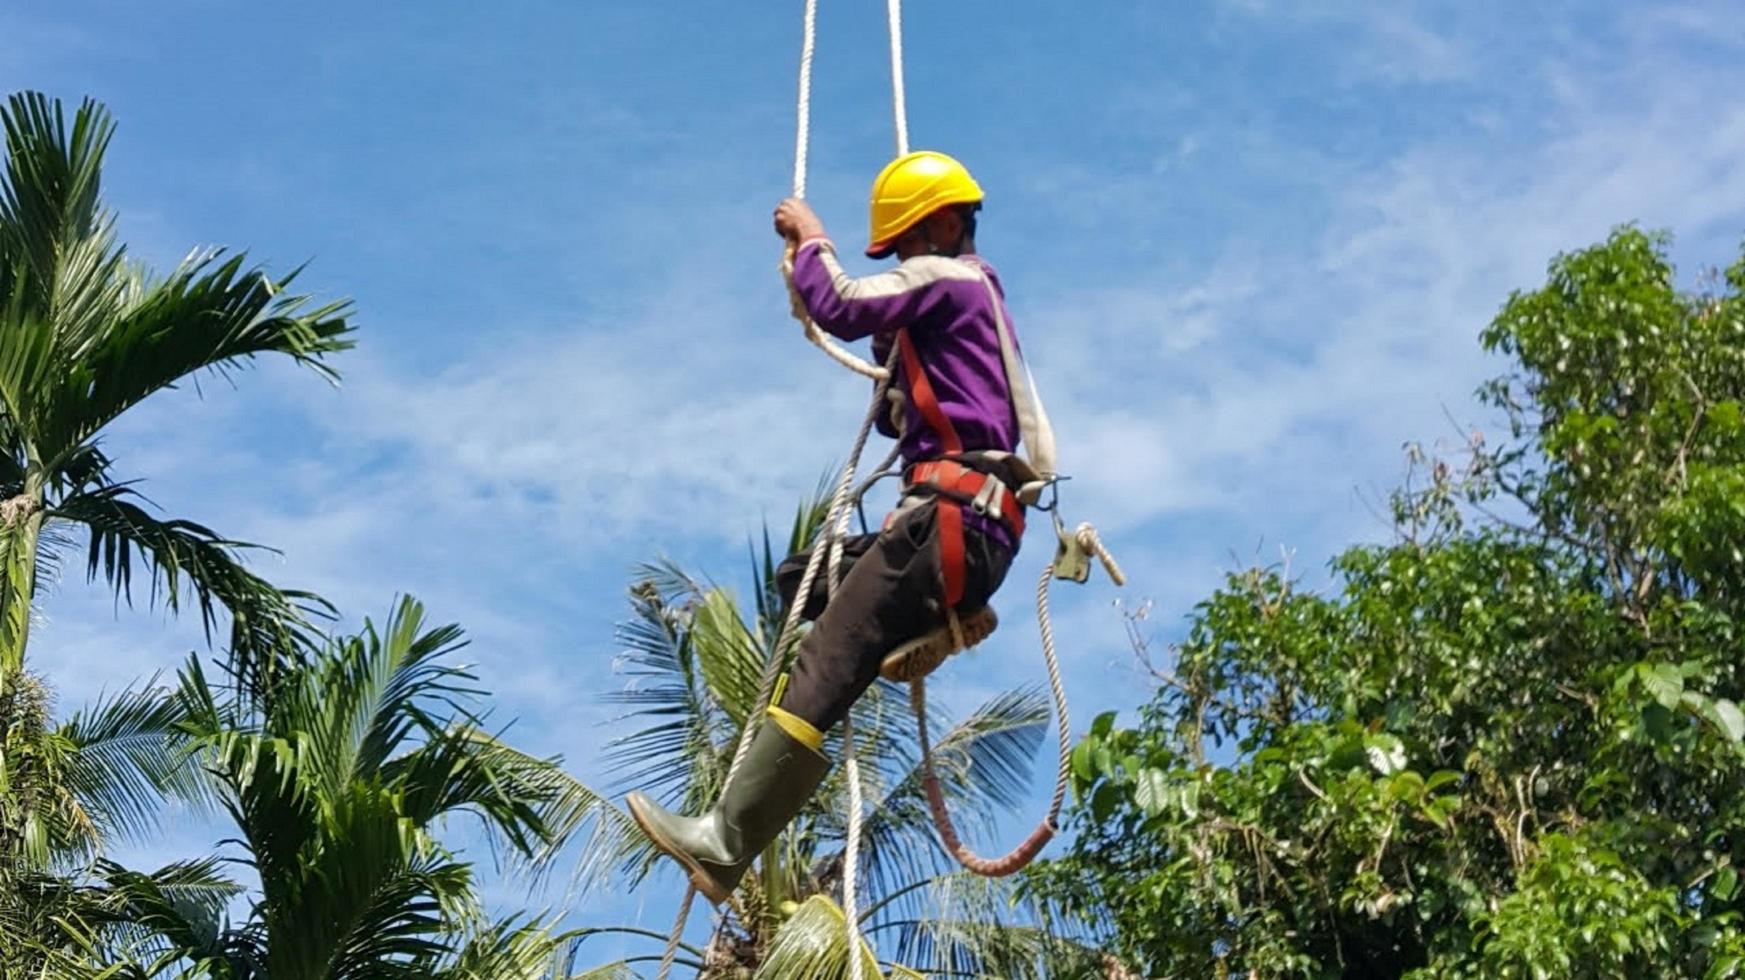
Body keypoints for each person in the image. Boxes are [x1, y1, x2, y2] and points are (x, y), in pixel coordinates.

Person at [626, 150, 1049, 905]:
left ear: (944, 226)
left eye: (906, 244)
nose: (903, 260)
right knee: (802, 583)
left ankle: (725, 842)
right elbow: (906, 401)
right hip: (976, 531)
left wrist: (810, 238)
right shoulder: (975, 305)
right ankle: (935, 624)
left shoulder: (945, 278)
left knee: (825, 660)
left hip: (947, 525)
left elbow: (844, 304)